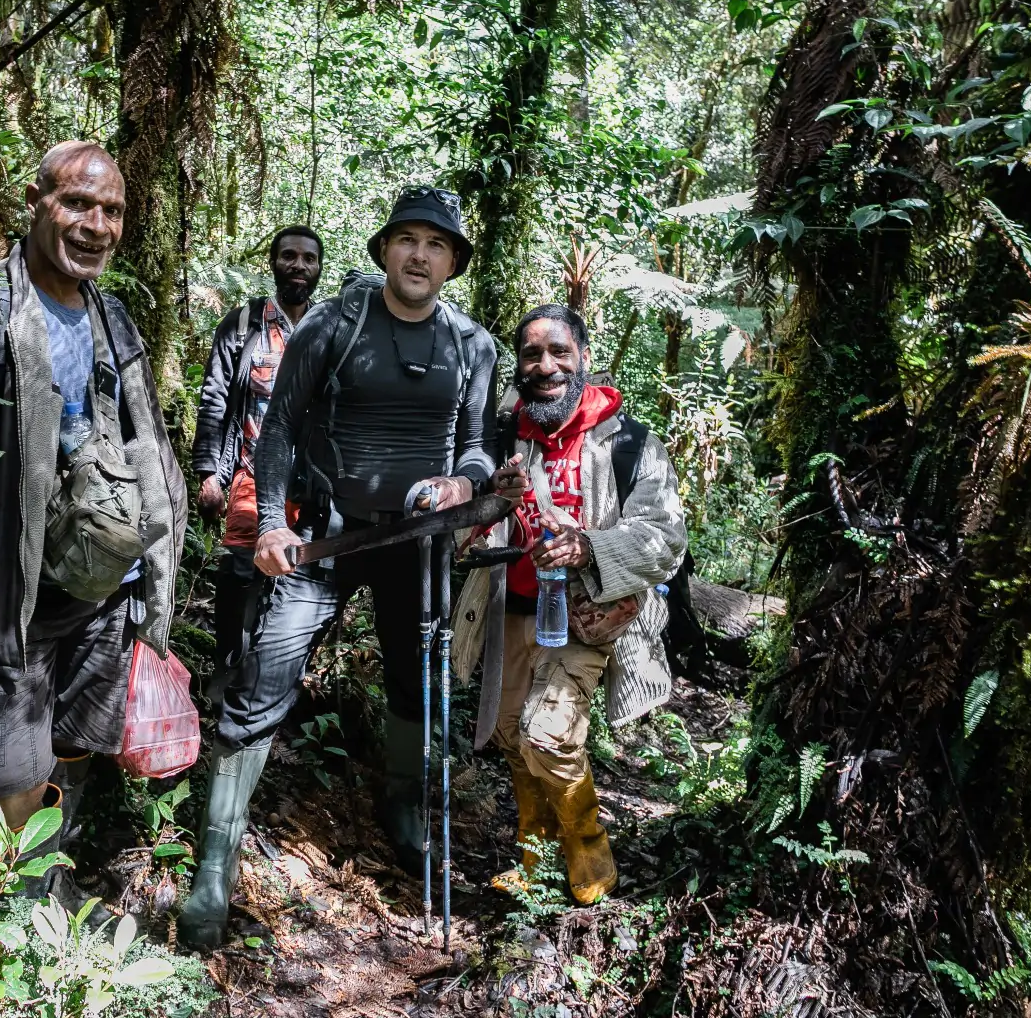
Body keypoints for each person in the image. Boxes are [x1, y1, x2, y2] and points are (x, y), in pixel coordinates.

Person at [177, 187, 498, 950]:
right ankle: (213, 870)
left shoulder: (473, 345)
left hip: (416, 544)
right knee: (262, 681)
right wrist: (271, 521)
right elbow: (280, 424)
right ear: (385, 249)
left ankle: (405, 812)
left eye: (436, 244)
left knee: (414, 684)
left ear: (452, 262)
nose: (420, 254)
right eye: (407, 239)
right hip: (322, 536)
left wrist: (463, 482)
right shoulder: (335, 322)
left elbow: (481, 443)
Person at [0, 141, 187, 911]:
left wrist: (151, 588)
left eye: (112, 210)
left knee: (75, 748)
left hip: (103, 597)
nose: (96, 225)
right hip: (13, 608)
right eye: (77, 204)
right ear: (36, 202)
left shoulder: (111, 316)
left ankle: (48, 888)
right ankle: (11, 927)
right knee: (11, 776)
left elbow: (143, 446)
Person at [472, 303, 686, 905]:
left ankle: (588, 845)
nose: (546, 366)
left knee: (549, 736)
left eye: (559, 352)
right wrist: (492, 496)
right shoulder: (497, 436)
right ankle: (533, 858)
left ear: (584, 358)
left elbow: (665, 537)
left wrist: (589, 547)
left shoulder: (631, 442)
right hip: (511, 609)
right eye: (532, 355)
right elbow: (466, 522)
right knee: (513, 735)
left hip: (591, 618)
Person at [191, 226, 325, 696]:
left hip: (308, 485)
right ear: (273, 262)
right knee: (241, 572)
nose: (299, 266)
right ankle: (228, 667)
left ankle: (273, 678)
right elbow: (214, 397)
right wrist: (209, 471)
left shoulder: (326, 327)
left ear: (318, 268)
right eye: (289, 256)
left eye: (308, 259)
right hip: (250, 471)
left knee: (296, 578)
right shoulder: (244, 323)